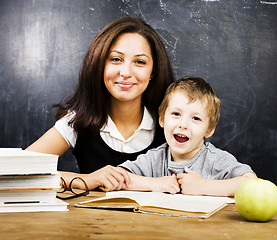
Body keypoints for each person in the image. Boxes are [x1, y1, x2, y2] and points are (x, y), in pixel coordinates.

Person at [26, 17, 174, 191]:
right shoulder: (78, 120)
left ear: (153, 71)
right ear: (99, 64)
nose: (126, 72)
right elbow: (16, 171)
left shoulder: (173, 123)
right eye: (116, 59)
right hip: (89, 219)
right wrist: (86, 180)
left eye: (139, 62)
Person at [118, 77, 257, 196]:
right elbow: (116, 177)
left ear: (208, 130)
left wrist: (203, 187)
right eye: (176, 114)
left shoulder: (215, 160)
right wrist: (154, 184)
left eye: (196, 118)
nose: (183, 124)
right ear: (162, 119)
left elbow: (251, 182)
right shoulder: (155, 159)